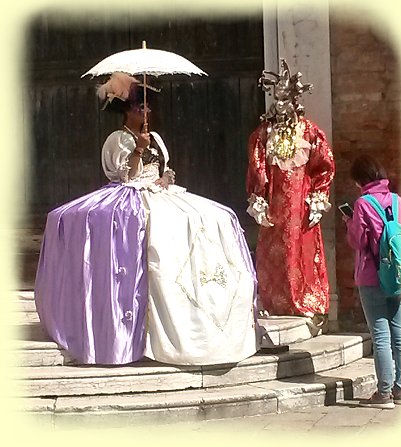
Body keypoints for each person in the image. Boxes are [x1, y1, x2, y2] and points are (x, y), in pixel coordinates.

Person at [35, 72, 258, 366]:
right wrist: (139, 148)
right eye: (141, 107)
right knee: (155, 230)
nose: (147, 111)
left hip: (159, 192)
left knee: (214, 216)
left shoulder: (157, 137)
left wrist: (166, 178)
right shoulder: (118, 139)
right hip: (130, 194)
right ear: (127, 110)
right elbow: (125, 175)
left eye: (148, 106)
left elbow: (165, 168)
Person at [246, 60, 335, 320]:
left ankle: (306, 300)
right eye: (277, 97)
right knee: (273, 255)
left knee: (302, 251)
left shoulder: (309, 132)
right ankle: (274, 301)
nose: (281, 103)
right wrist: (258, 200)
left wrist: (318, 197)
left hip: (300, 205)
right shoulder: (263, 134)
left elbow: (324, 166)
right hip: (274, 206)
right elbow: (258, 169)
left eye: (286, 97)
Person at [344, 154, 401, 408]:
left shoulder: (363, 204)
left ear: (361, 179)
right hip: (398, 275)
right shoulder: (397, 200)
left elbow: (358, 241)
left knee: (380, 335)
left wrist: (350, 222)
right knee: (400, 333)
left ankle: (383, 394)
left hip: (371, 277)